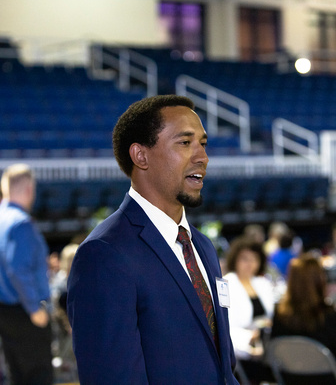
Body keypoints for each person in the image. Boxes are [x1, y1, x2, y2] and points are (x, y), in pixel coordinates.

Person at [67, 95, 239, 384]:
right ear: (141, 156)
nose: (203, 157)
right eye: (185, 143)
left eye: (203, 144)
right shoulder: (104, 254)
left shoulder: (202, 246)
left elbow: (223, 367)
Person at [0, 164, 52, 385]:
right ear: (29, 190)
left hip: (0, 311)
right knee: (38, 377)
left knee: (17, 375)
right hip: (24, 314)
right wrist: (35, 309)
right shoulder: (20, 223)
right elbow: (18, 271)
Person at [271, 255, 336, 385]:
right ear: (319, 280)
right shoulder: (327, 314)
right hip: (330, 379)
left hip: (292, 378)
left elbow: (274, 349)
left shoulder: (279, 314)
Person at [223, 236, 275, 384]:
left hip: (265, 344)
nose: (250, 264)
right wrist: (249, 337)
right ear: (235, 260)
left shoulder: (262, 283)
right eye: (245, 259)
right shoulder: (226, 284)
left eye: (254, 259)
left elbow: (270, 316)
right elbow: (226, 327)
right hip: (242, 350)